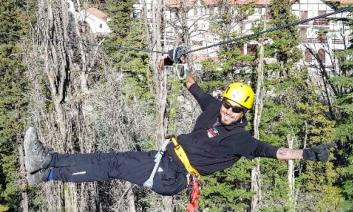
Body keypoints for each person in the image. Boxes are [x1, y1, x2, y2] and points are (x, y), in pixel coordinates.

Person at [24, 51, 333, 197]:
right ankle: (48, 170)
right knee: (111, 161)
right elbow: (190, 84)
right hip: (164, 159)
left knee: (112, 164)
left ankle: (48, 164)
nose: (228, 112)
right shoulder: (213, 106)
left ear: (243, 114)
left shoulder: (240, 139)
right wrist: (174, 61)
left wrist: (305, 154)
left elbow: (273, 152)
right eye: (228, 104)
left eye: (236, 110)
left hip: (173, 174)